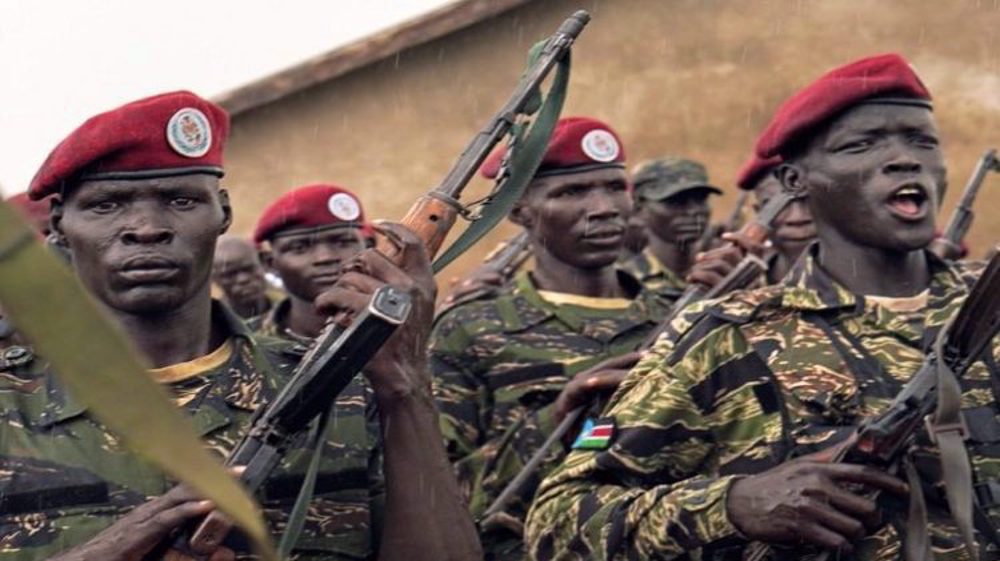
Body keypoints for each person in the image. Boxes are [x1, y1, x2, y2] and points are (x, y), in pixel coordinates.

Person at [525, 53, 998, 561]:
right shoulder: (726, 336)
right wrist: (731, 504)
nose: (905, 159)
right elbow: (556, 521)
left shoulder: (986, 304)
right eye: (860, 145)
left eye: (922, 140)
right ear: (794, 182)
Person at [0, 91, 479, 561]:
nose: (146, 228)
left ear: (224, 213)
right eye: (107, 205)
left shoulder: (341, 390)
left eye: (181, 200)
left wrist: (405, 386)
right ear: (59, 225)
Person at [430, 116, 673, 560]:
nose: (604, 208)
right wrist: (554, 424)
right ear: (518, 210)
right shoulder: (470, 330)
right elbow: (437, 495)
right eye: (571, 192)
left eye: (614, 187)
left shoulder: (679, 318)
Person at [252, 184, 371, 342]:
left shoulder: (400, 331)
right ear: (269, 263)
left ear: (369, 247)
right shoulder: (243, 344)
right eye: (299, 247)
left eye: (342, 242)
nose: (325, 257)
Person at [620, 157, 722, 298]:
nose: (693, 210)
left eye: (701, 199)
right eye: (675, 201)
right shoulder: (626, 283)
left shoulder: (721, 272)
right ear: (638, 208)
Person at [736, 153, 817, 283]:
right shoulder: (744, 284)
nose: (796, 218)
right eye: (775, 205)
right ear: (759, 212)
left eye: (809, 199)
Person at [211, 235, 280, 320]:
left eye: (249, 269)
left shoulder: (289, 307)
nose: (243, 279)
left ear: (264, 264)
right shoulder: (213, 323)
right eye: (230, 274)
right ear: (214, 279)